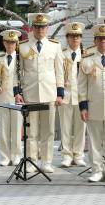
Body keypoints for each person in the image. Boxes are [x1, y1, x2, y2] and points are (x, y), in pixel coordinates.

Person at [14, 13, 64, 173]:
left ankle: (46, 162)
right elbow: (17, 72)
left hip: (49, 94)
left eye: (43, 27)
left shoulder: (55, 46)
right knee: (31, 131)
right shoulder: (22, 46)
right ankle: (31, 161)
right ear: (32, 28)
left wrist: (60, 93)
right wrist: (17, 92)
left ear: (47, 28)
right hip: (30, 94)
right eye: (37, 26)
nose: (40, 29)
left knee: (48, 131)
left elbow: (59, 71)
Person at [78, 23, 105, 182]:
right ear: (94, 41)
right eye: (100, 39)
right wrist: (83, 107)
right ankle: (97, 170)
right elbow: (81, 85)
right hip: (93, 106)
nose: (103, 42)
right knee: (94, 141)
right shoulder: (87, 59)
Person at [58, 22, 87, 168]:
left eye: (77, 36)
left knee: (81, 128)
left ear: (81, 38)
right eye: (72, 36)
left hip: (81, 97)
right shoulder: (62, 54)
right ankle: (66, 155)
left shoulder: (87, 55)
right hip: (66, 96)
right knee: (65, 127)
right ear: (67, 38)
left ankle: (79, 155)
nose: (75, 39)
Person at [0, 30, 22, 166]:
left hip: (17, 98)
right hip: (2, 97)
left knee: (17, 128)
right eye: (8, 42)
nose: (10, 45)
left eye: (13, 42)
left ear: (16, 43)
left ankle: (16, 155)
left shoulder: (22, 59)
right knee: (3, 129)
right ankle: (5, 156)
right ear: (4, 43)